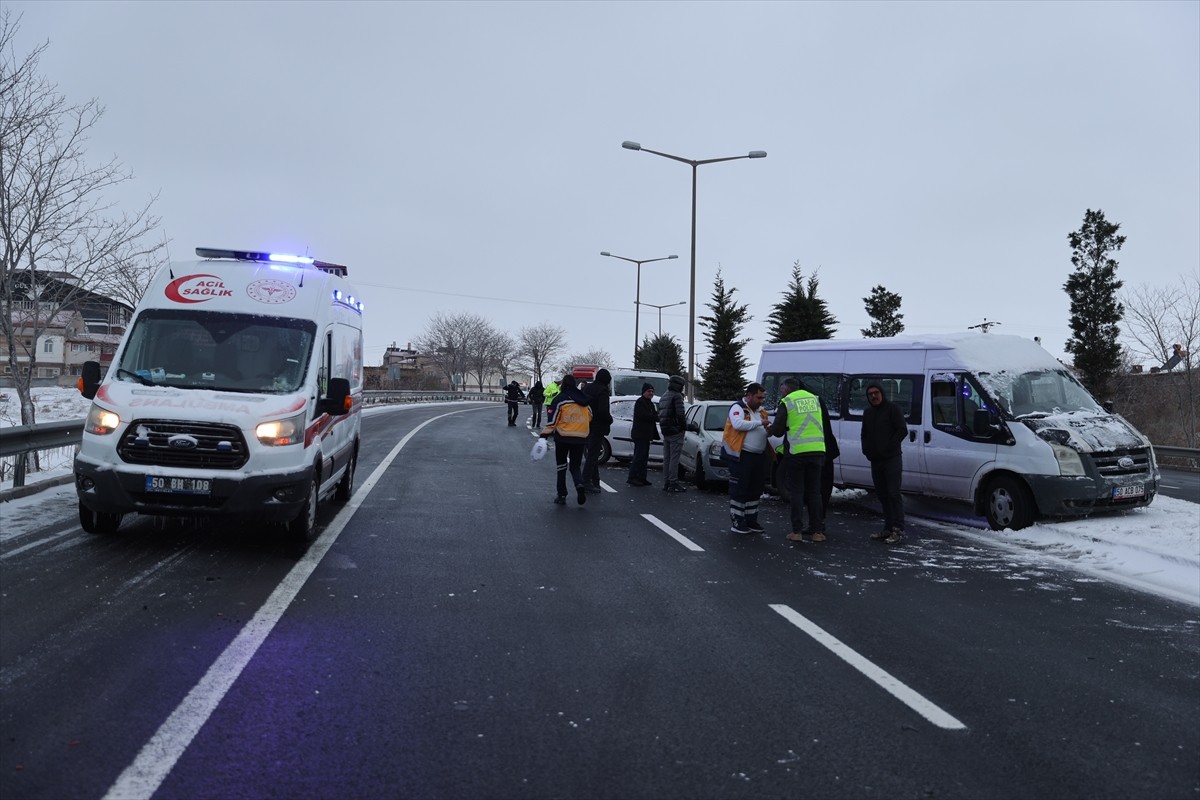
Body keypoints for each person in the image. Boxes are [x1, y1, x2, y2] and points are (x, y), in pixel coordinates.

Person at [769, 377, 827, 543]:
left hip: (797, 452)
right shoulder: (814, 399)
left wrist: (770, 429)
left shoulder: (787, 401)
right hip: (817, 451)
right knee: (815, 492)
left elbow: (779, 430)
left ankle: (797, 531)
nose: (781, 392)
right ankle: (817, 532)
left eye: (782, 389)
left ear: (787, 389)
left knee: (797, 492)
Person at [861, 381, 908, 544]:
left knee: (893, 494)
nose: (874, 396)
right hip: (876, 460)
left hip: (891, 459)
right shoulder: (868, 413)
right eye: (870, 394)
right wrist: (866, 450)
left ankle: (898, 529)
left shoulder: (892, 409)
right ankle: (888, 527)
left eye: (876, 393)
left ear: (882, 393)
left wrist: (888, 447)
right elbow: (864, 434)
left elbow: (902, 430)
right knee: (882, 495)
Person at [723, 382, 771, 534]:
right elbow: (738, 424)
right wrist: (759, 423)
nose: (761, 400)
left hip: (758, 456)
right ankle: (738, 521)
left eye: (763, 397)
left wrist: (769, 430)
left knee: (755, 490)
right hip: (742, 456)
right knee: (739, 489)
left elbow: (763, 430)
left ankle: (751, 520)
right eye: (758, 397)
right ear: (748, 395)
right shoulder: (738, 408)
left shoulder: (762, 411)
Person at [540, 374, 592, 506]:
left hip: (563, 437)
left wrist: (544, 435)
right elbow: (590, 416)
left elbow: (553, 421)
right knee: (575, 466)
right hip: (580, 438)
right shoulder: (583, 399)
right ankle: (579, 484)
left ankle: (562, 494)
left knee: (561, 466)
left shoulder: (560, 399)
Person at [582, 368, 614, 492]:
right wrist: (609, 419)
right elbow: (602, 410)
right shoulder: (603, 391)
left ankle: (595, 480)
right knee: (593, 455)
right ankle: (586, 481)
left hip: (586, 424)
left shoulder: (588, 388)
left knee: (592, 453)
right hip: (598, 425)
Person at [657, 374, 688, 493]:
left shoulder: (664, 396)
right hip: (675, 431)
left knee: (667, 458)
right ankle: (673, 482)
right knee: (674, 459)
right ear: (679, 385)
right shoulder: (677, 396)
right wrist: (684, 427)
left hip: (666, 431)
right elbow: (680, 414)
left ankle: (666, 482)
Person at [626, 382, 658, 487]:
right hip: (640, 435)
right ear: (644, 392)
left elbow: (654, 416)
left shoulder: (650, 403)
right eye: (649, 391)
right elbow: (645, 416)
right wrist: (654, 416)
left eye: (652, 391)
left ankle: (641, 477)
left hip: (646, 435)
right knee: (639, 456)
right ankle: (633, 477)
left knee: (644, 457)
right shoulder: (640, 402)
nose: (651, 393)